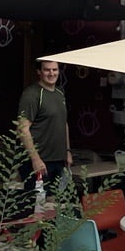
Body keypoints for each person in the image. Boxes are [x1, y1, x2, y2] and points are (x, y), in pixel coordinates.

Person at [17, 59, 72, 192]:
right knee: (37, 206)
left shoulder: (60, 93)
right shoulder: (32, 95)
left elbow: (63, 123)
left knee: (56, 204)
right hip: (39, 161)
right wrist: (35, 159)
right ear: (39, 72)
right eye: (47, 69)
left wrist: (68, 151)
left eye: (55, 69)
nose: (51, 73)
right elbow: (22, 129)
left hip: (58, 160)